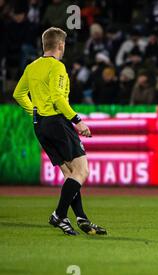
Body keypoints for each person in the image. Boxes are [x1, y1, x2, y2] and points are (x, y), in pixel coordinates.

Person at [13, 27, 106, 235]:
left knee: (70, 174)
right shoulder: (57, 67)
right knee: (82, 171)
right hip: (57, 123)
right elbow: (58, 98)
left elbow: (18, 94)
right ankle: (59, 214)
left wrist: (34, 112)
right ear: (60, 45)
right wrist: (78, 121)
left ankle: (81, 218)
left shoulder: (31, 67)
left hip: (41, 125)